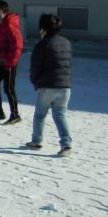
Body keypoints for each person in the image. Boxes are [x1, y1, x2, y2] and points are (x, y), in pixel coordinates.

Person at [25, 13, 73, 157]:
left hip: (47, 85)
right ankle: (66, 145)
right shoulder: (66, 42)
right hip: (65, 86)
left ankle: (36, 141)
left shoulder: (42, 45)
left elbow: (35, 67)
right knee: (60, 115)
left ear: (43, 28)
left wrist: (35, 82)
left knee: (40, 115)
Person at [0, 0, 24, 124]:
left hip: (9, 62)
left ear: (4, 12)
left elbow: (18, 46)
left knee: (9, 88)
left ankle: (15, 115)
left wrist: (10, 63)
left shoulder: (10, 25)